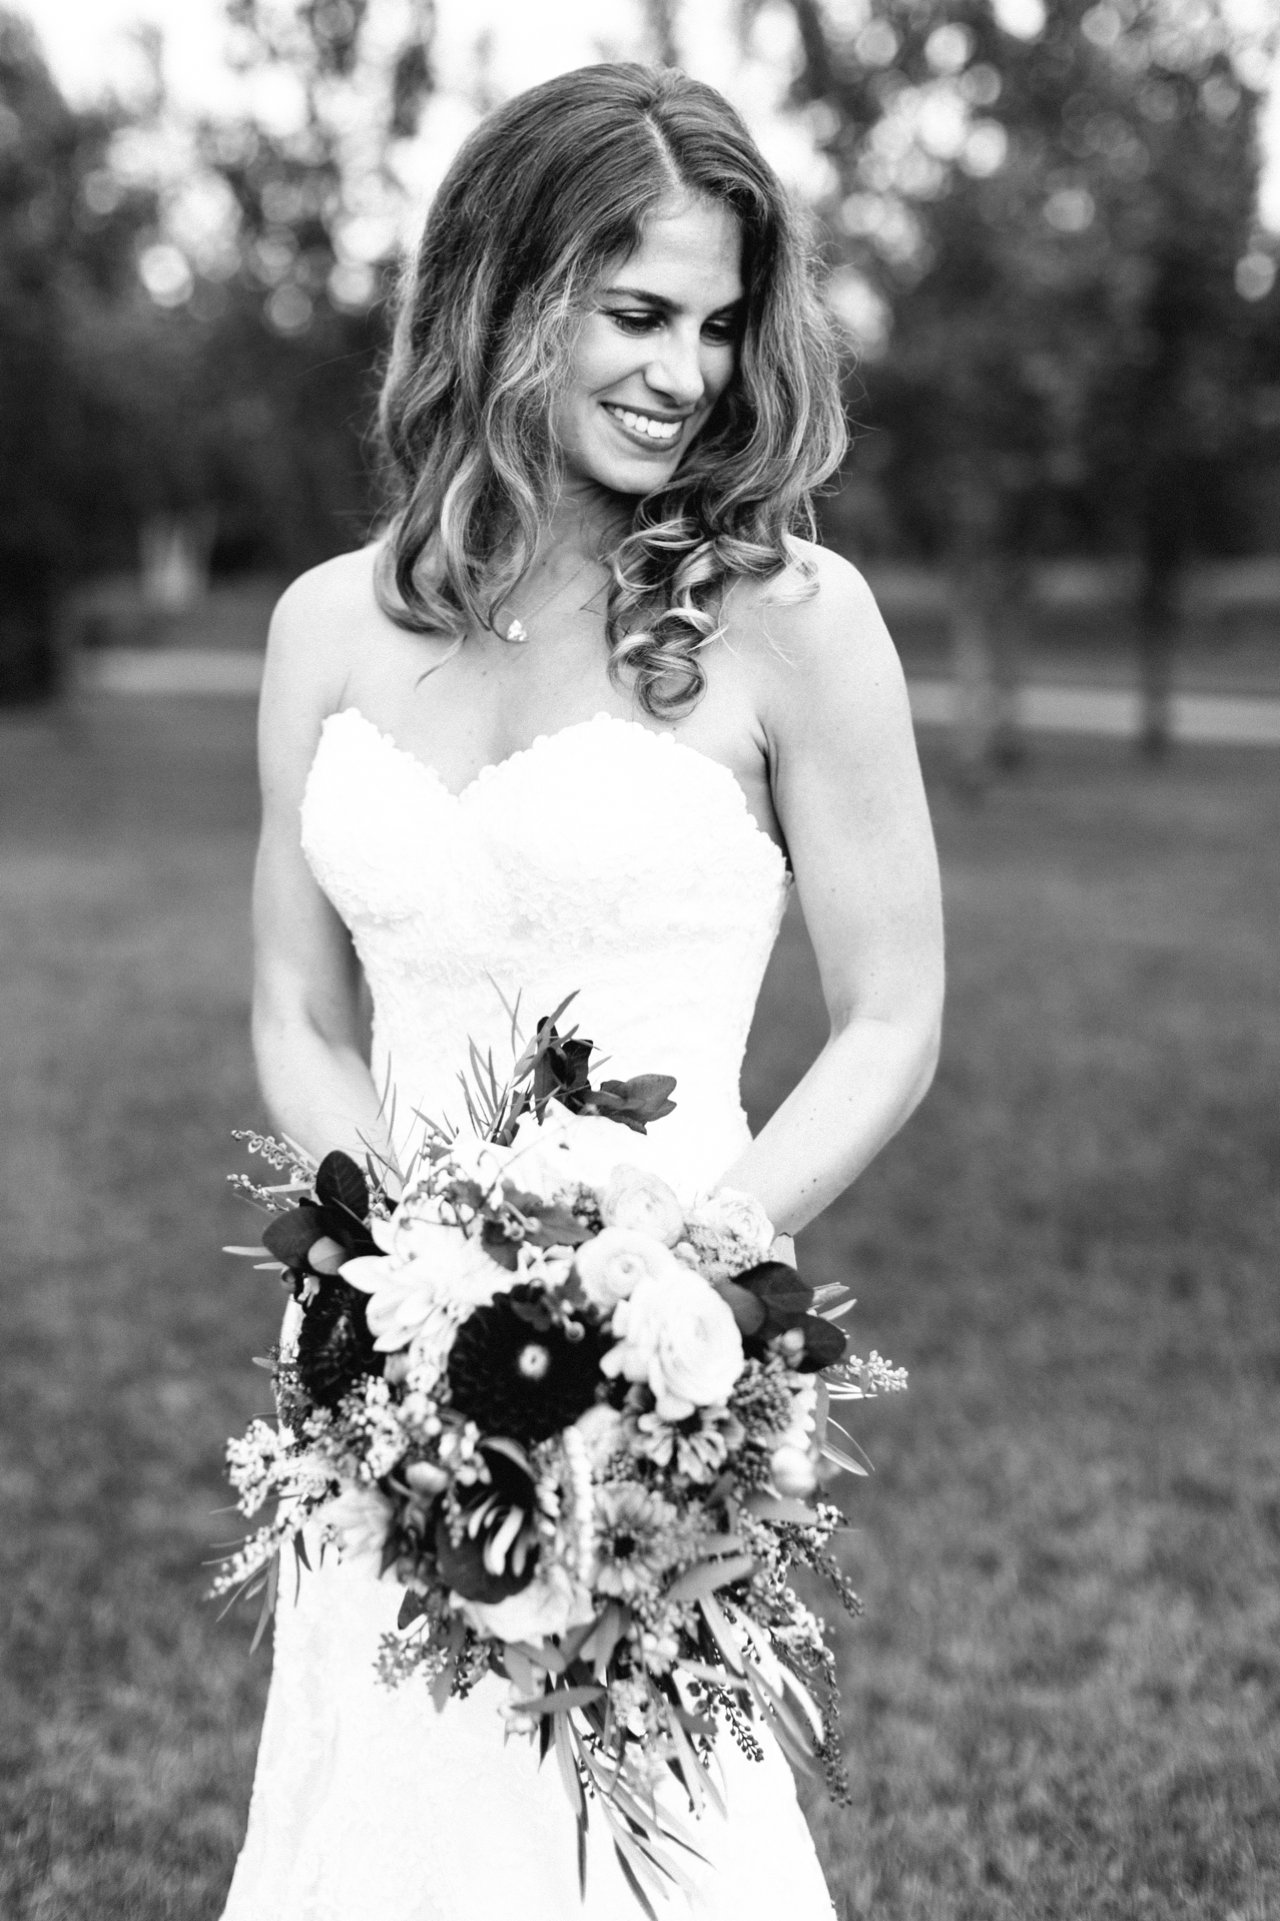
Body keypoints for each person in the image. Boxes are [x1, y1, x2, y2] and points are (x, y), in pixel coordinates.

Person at [221, 60, 943, 1921]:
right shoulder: (324, 625)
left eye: (714, 325)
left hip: (670, 1351)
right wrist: (392, 1272)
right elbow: (299, 1011)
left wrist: (679, 1275)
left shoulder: (788, 614)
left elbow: (893, 1015)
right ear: (501, 293)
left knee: (643, 1841)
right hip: (391, 1367)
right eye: (635, 313)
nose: (684, 371)